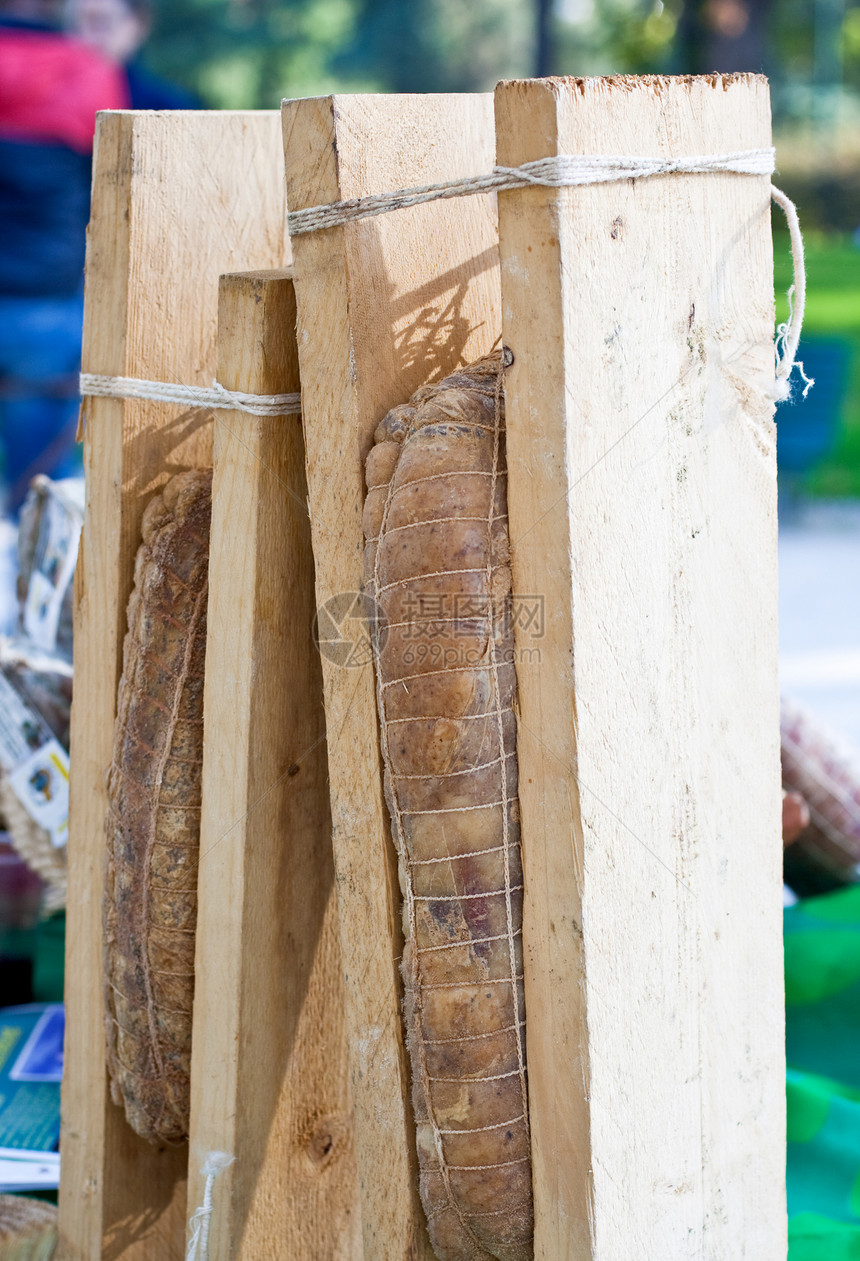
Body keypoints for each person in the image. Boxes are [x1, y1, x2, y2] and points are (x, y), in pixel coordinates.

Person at [0, 0, 127, 511]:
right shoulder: (88, 70)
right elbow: (112, 190)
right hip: (47, 301)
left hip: (40, 297)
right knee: (38, 494)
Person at [67, 0, 201, 110]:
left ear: (139, 23)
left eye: (102, 23)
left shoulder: (169, 104)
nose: (87, 38)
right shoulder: (56, 97)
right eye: (78, 24)